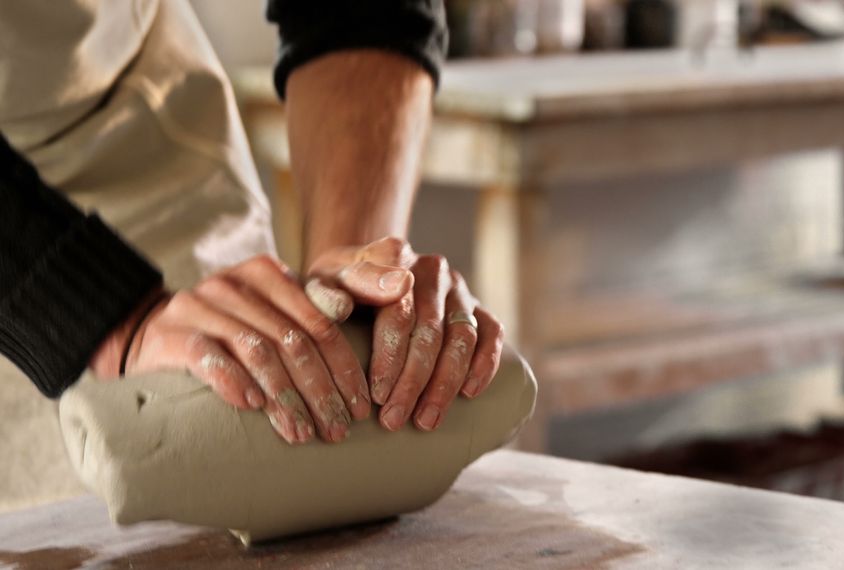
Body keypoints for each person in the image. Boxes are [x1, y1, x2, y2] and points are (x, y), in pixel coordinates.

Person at [0, 0, 503, 462]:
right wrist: (109, 321)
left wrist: (346, 298)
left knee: (247, 433)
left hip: (125, 113)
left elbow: (361, 11)